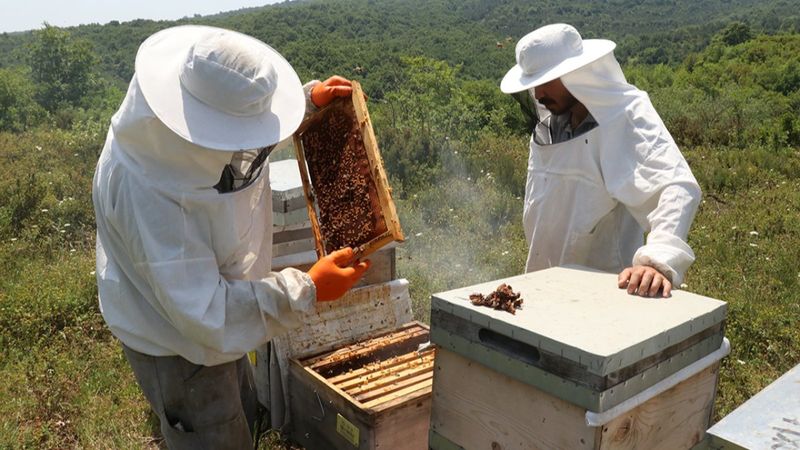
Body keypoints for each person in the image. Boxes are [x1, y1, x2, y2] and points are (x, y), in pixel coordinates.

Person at [92, 25, 369, 449]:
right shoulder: (153, 200)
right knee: (214, 436)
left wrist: (308, 104)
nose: (249, 150)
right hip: (176, 344)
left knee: (241, 407)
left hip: (208, 317)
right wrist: (307, 288)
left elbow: (235, 135)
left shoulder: (176, 124)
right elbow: (207, 314)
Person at [500, 23, 702, 298]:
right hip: (543, 286)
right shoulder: (550, 126)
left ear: (577, 74)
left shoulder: (625, 117)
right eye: (533, 84)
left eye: (546, 81)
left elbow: (676, 185)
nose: (538, 95)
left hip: (604, 292)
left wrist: (658, 261)